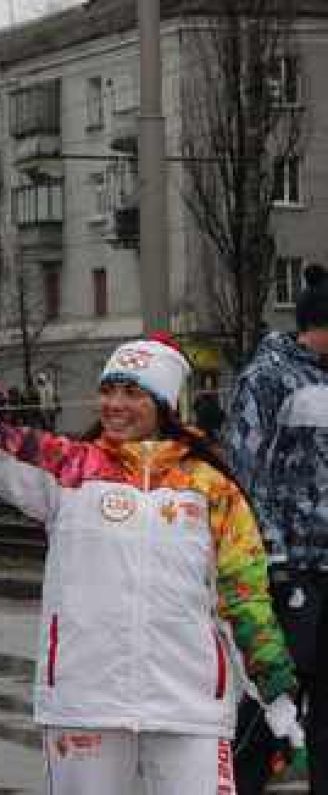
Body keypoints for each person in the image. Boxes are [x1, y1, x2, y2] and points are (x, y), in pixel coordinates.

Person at [0, 322, 302, 792]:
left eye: (133, 393)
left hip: (189, 704)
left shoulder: (210, 486)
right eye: (109, 390)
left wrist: (276, 691)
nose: (115, 404)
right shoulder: (70, 468)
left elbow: (244, 596)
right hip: (87, 698)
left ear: (162, 404)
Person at [226, 263, 328, 792]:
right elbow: (242, 476)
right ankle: (235, 783)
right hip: (291, 572)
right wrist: (272, 557)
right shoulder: (267, 378)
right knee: (277, 695)